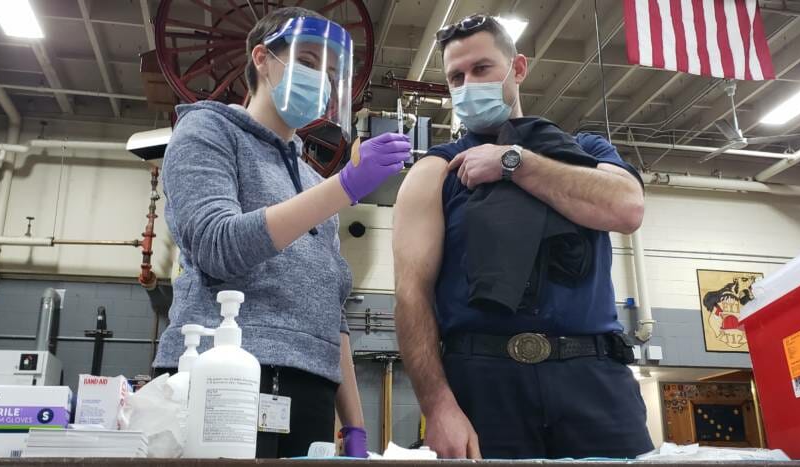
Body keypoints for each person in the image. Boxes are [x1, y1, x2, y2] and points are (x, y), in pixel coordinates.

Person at [153, 7, 411, 459]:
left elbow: (331, 311)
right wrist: (345, 186)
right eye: (308, 62)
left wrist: (355, 424)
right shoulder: (207, 129)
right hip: (219, 374)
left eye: (331, 74)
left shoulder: (313, 183)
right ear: (261, 58)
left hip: (310, 387)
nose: (322, 80)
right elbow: (218, 245)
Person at [393, 15, 653, 460]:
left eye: (481, 68)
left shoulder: (587, 151)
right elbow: (410, 294)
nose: (468, 85)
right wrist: (436, 405)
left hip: (594, 378)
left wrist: (513, 163)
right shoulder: (434, 172)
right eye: (456, 77)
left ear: (517, 68)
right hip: (482, 382)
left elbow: (627, 208)